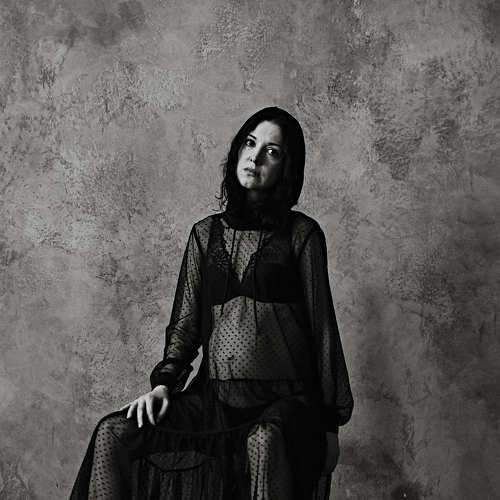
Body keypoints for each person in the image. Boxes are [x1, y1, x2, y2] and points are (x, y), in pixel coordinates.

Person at [69, 106, 354, 500]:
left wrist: (330, 426)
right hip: (214, 401)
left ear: (287, 167)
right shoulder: (205, 235)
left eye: (272, 151)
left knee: (263, 440)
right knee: (113, 432)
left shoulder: (301, 235)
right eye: (250, 144)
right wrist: (164, 385)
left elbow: (323, 331)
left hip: (284, 407)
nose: (255, 157)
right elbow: (185, 326)